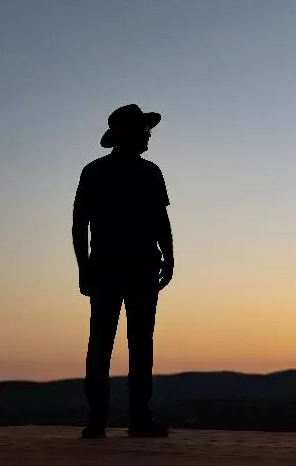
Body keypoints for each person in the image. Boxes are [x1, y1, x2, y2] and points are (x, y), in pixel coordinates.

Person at [72, 103, 174, 438]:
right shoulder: (144, 172)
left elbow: (79, 225)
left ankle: (102, 420)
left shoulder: (101, 171)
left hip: (117, 267)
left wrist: (84, 268)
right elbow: (80, 224)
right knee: (135, 342)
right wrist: (169, 256)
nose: (149, 136)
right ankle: (133, 418)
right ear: (130, 133)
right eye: (145, 130)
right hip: (131, 267)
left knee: (106, 342)